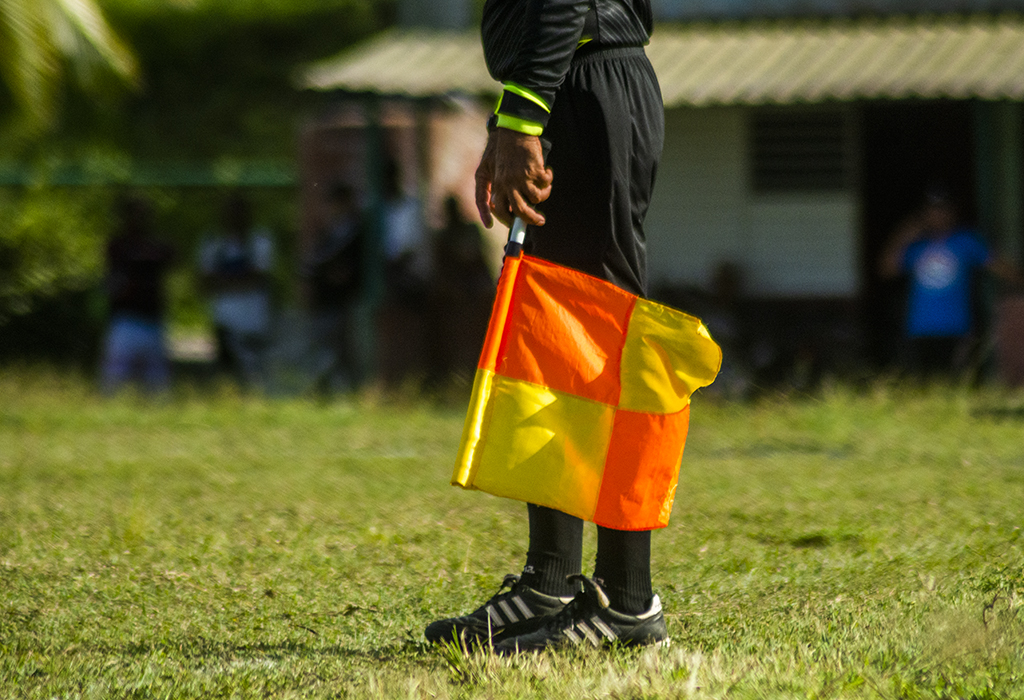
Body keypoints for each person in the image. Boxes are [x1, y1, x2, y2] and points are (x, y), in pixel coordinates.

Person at [424, 0, 668, 652]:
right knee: (555, 349)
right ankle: (551, 582)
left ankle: (628, 600)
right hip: (561, 87)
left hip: (589, 85)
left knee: (608, 348)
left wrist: (523, 120)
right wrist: (511, 122)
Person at [879, 190, 1020, 378]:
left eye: (943, 209)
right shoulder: (915, 245)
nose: (937, 215)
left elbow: (1005, 270)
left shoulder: (967, 241)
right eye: (932, 210)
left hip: (958, 328)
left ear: (953, 212)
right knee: (923, 385)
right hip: (920, 328)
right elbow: (886, 270)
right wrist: (904, 234)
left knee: (956, 383)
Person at [100, 194, 176, 394]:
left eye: (145, 214)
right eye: (136, 214)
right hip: (124, 322)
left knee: (157, 388)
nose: (141, 219)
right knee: (113, 385)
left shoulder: (156, 246)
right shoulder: (118, 246)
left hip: (153, 322)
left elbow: (172, 255)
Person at [198, 193, 275, 389]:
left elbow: (258, 279)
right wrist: (240, 280)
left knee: (254, 370)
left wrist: (222, 282)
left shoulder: (259, 240)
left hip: (253, 320)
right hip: (223, 318)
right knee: (227, 372)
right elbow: (204, 283)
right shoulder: (213, 243)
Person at [303, 182, 365, 394]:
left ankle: (348, 390)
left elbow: (346, 270)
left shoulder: (354, 232)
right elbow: (312, 266)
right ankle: (328, 390)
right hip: (325, 301)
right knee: (327, 347)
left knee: (341, 349)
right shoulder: (329, 233)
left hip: (343, 301)